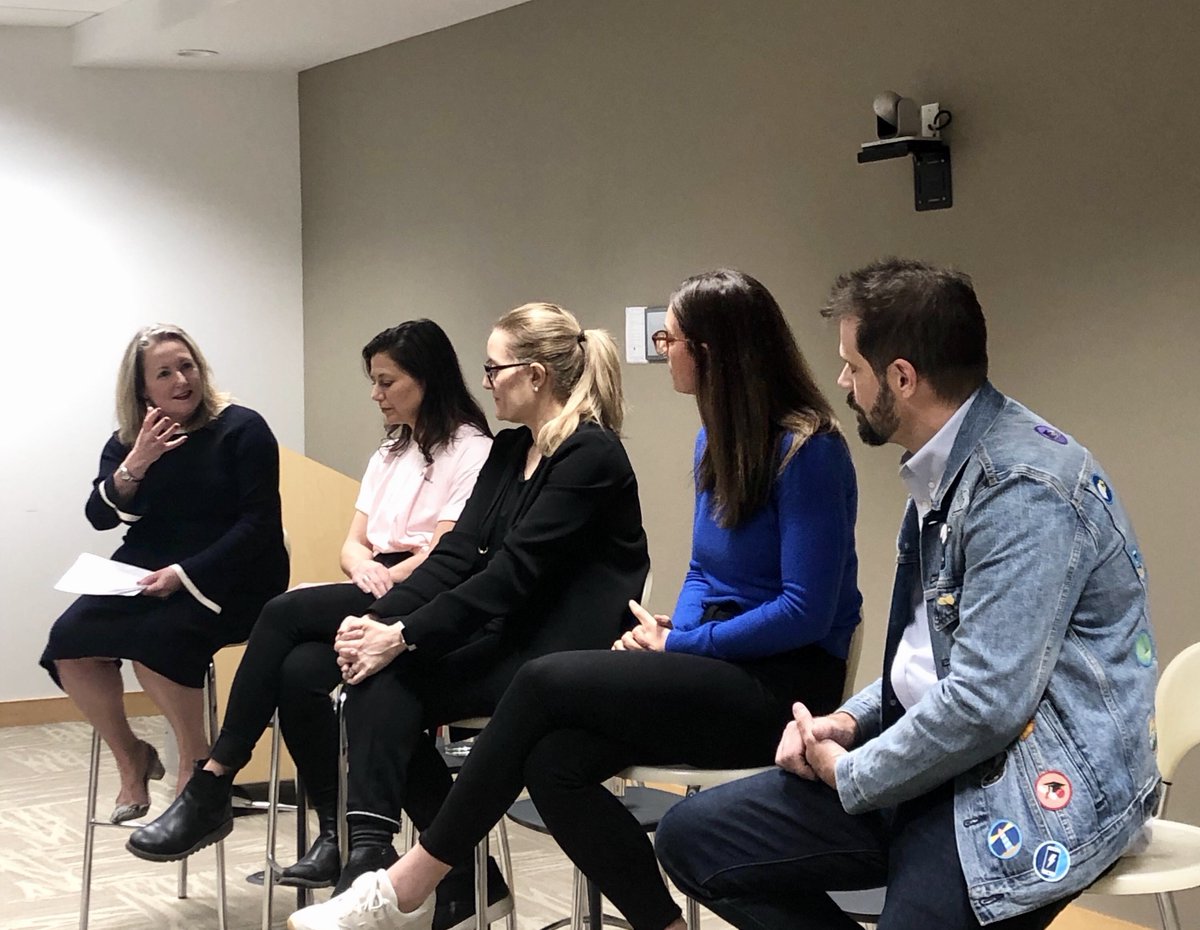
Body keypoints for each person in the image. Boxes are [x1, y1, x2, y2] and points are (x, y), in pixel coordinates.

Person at [285, 268, 863, 930]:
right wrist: (674, 631)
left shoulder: (809, 449)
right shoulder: (714, 440)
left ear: (711, 350)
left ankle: (406, 885)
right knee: (552, 762)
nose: (661, 347)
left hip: (785, 688)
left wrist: (684, 643)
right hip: (713, 664)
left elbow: (805, 612)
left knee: (542, 681)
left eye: (669, 337)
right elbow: (707, 571)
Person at [653, 258, 1161, 930]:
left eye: (853, 368)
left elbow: (984, 705)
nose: (842, 383)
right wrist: (853, 722)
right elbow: (930, 659)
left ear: (901, 377)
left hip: (1022, 783)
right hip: (929, 757)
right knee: (692, 837)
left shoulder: (1023, 490)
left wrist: (853, 771)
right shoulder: (943, 472)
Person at [129, 302, 650, 928]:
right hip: (502, 636)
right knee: (362, 674)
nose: (486, 381)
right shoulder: (514, 451)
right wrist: (382, 627)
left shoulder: (589, 455)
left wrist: (399, 633)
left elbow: (512, 576)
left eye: (494, 368)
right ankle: (384, 860)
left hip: (554, 657)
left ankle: (382, 868)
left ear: (535, 376)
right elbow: (457, 555)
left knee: (374, 665)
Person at [270, 319, 501, 889]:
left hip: (429, 598)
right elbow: (353, 541)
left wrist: (389, 579)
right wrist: (363, 567)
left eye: (386, 382)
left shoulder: (474, 450)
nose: (376, 395)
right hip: (375, 583)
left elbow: (450, 552)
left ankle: (218, 776)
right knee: (300, 669)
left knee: (286, 617)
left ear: (426, 379)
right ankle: (343, 836)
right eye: (372, 382)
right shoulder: (390, 451)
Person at [40, 323, 289, 822]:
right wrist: (137, 461)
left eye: (188, 366)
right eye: (165, 373)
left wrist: (184, 573)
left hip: (235, 570)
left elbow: (260, 524)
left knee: (159, 638)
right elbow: (100, 516)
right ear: (142, 390)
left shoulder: (243, 428)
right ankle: (131, 756)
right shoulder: (133, 441)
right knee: (69, 641)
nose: (181, 380)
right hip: (148, 566)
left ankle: (197, 769)